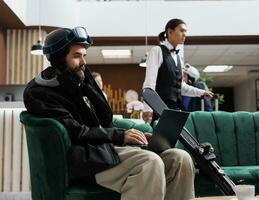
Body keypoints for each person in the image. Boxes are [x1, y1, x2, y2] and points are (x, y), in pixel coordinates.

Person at [23, 27, 195, 200]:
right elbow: (75, 131)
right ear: (59, 59)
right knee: (149, 162)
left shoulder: (80, 80)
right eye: (76, 56)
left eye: (84, 55)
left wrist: (139, 136)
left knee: (179, 158)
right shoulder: (40, 92)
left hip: (107, 147)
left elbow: (105, 119)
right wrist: (121, 135)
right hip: (87, 156)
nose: (83, 62)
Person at [142, 18, 214, 123]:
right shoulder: (157, 51)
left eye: (186, 31)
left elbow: (180, 87)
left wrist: (201, 93)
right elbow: (149, 82)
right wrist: (147, 109)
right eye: (181, 30)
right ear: (170, 32)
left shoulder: (178, 58)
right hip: (158, 109)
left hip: (175, 110)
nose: (185, 34)